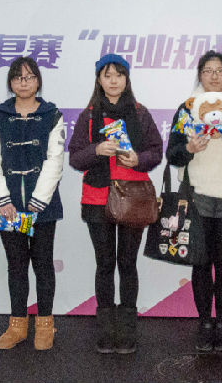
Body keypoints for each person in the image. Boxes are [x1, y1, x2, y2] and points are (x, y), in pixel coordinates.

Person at [68, 54, 162, 354]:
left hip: (133, 198)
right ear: (98, 79)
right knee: (105, 265)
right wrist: (97, 150)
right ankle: (106, 330)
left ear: (127, 79)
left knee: (128, 264)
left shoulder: (140, 113)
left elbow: (156, 151)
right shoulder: (89, 115)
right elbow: (75, 158)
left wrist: (138, 159)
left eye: (118, 75)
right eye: (107, 75)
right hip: (97, 199)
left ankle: (128, 329)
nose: (113, 81)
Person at [165, 51, 222, 353]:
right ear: (200, 75)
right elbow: (172, 154)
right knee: (201, 262)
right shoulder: (187, 109)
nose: (214, 76)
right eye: (208, 70)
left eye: (220, 70)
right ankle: (205, 322)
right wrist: (190, 148)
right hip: (197, 197)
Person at [0, 57, 65, 351]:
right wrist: (3, 200)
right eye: (18, 77)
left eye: (29, 77)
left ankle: (45, 324)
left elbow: (55, 161)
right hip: (8, 209)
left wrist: (37, 201)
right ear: (10, 82)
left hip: (42, 207)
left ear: (38, 81)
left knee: (43, 264)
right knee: (16, 266)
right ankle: (17, 324)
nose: (24, 82)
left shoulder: (52, 114)